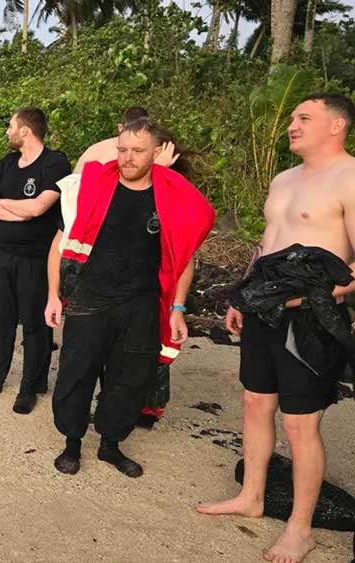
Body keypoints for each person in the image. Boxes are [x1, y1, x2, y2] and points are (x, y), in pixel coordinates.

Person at [196, 94, 355, 563]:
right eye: (291, 118)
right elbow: (267, 245)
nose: (291, 125)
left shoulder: (350, 177)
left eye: (304, 117)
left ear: (337, 126)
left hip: (312, 316)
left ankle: (300, 528)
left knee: (300, 423)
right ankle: (252, 495)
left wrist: (323, 296)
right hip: (263, 309)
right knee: (254, 403)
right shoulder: (283, 179)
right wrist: (242, 295)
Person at [45, 117, 214, 479]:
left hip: (140, 303)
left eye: (138, 151)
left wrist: (178, 308)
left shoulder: (170, 198)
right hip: (90, 296)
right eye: (122, 149)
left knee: (128, 379)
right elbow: (58, 245)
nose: (127, 158)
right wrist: (52, 296)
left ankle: (110, 445)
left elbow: (182, 260)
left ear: (157, 153)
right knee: (76, 374)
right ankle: (72, 442)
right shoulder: (89, 187)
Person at [0, 107, 71, 414]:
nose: (7, 132)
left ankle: (30, 388)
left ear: (25, 130)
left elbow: (39, 208)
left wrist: (8, 205)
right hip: (0, 255)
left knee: (35, 327)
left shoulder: (55, 162)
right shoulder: (8, 163)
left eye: (11, 126)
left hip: (35, 259)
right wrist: (19, 210)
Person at [74, 107, 150, 173]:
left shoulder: (156, 151)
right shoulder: (97, 152)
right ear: (121, 128)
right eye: (131, 130)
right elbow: (74, 184)